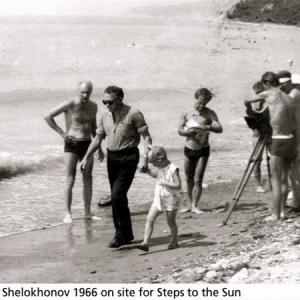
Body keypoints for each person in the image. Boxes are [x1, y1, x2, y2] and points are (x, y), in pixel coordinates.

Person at [80, 85, 152, 248]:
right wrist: (86, 157)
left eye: (110, 102)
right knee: (118, 196)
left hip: (129, 156)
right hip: (112, 158)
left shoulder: (134, 113)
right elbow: (98, 138)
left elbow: (146, 137)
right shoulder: (104, 116)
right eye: (104, 102)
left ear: (120, 99)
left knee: (117, 195)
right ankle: (124, 233)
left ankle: (121, 235)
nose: (107, 105)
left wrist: (146, 158)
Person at [44, 81, 102, 224]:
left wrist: (99, 148)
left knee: (87, 178)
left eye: (88, 92)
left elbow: (94, 127)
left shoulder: (93, 106)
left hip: (87, 143)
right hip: (72, 144)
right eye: (82, 92)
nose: (85, 95)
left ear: (91, 91)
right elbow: (48, 116)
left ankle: (87, 212)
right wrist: (62, 134)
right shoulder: (70, 104)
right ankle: (67, 213)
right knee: (70, 179)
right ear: (78, 91)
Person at [245, 72, 296, 222]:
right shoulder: (289, 98)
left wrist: (254, 110)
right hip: (290, 139)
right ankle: (283, 212)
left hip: (277, 139)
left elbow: (247, 100)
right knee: (285, 178)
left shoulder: (268, 94)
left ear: (266, 83)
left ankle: (275, 214)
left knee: (275, 180)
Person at [178, 87, 223, 214]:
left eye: (205, 102)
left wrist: (207, 126)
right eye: (201, 101)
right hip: (189, 148)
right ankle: (188, 205)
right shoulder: (186, 112)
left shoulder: (209, 113)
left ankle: (195, 205)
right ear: (197, 98)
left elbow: (219, 128)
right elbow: (179, 130)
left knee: (198, 179)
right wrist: (188, 131)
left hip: (203, 149)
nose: (202, 105)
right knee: (188, 178)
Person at [136, 146, 182, 252]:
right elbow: (155, 174)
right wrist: (147, 171)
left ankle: (174, 242)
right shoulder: (160, 167)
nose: (154, 165)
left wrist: (165, 182)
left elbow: (178, 185)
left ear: (160, 159)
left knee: (171, 222)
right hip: (159, 198)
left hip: (171, 199)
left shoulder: (173, 169)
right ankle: (145, 243)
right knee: (150, 219)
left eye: (154, 163)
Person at [276, 70, 300, 213]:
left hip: (295, 137)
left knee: (295, 172)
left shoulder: (293, 95)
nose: (282, 88)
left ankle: (297, 204)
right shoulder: (295, 93)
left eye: (283, 86)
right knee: (295, 172)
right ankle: (296, 202)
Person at [244, 81, 267, 193]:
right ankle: (258, 184)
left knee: (275, 159)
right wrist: (248, 107)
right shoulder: (254, 101)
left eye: (260, 92)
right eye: (257, 93)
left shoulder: (269, 99)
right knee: (256, 159)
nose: (259, 95)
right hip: (257, 133)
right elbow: (250, 115)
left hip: (269, 132)